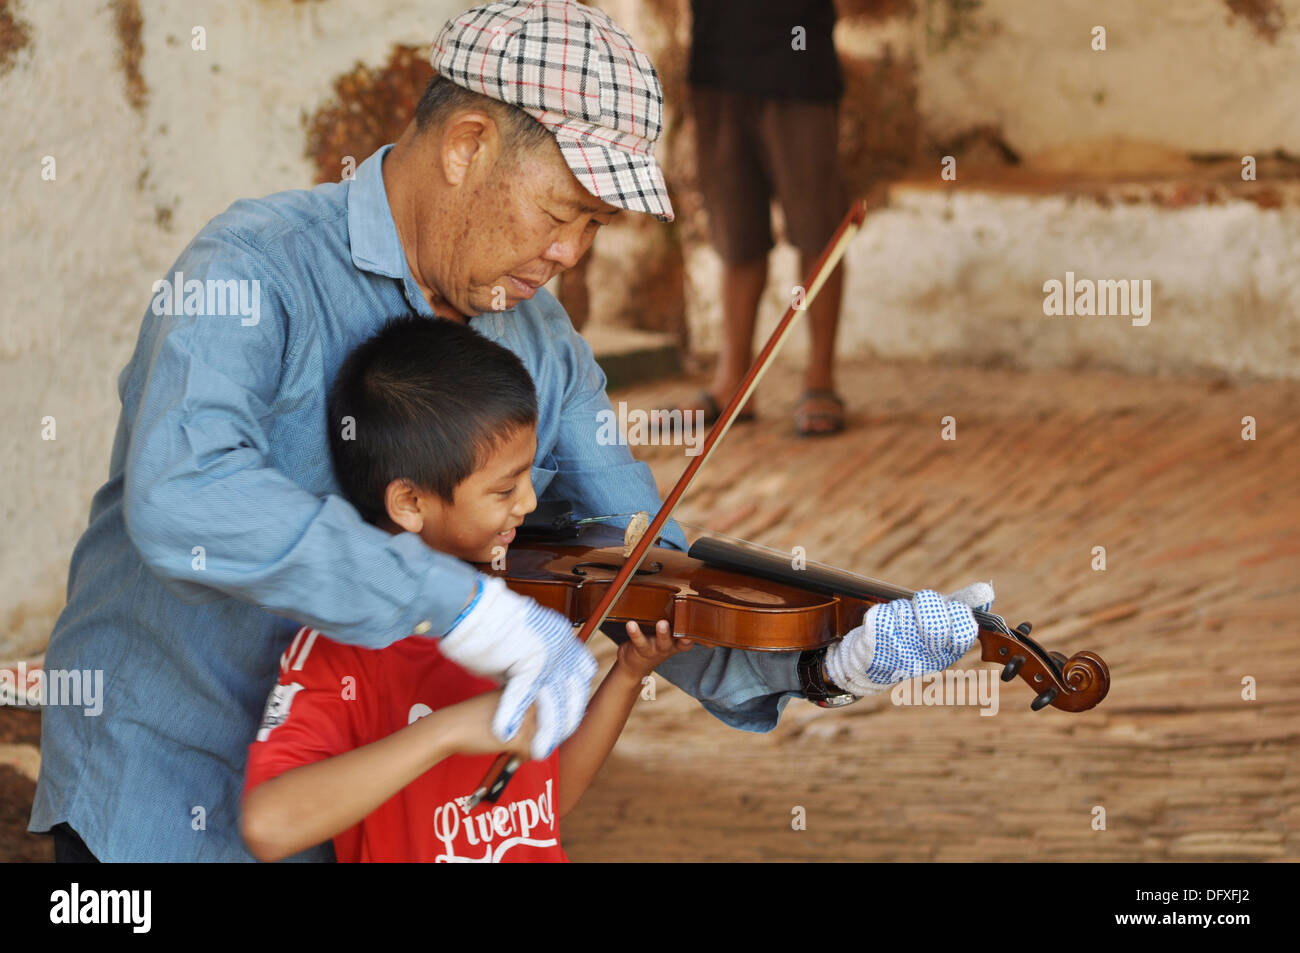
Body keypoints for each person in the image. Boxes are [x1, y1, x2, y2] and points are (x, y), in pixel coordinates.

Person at [31, 0, 989, 862]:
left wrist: (822, 661)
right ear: (467, 146)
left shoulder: (539, 335)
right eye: (563, 211)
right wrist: (457, 603)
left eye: (596, 225)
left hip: (380, 824)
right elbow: (185, 493)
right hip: (167, 786)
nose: (572, 252)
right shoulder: (253, 267)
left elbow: (638, 556)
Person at [240, 316, 691, 863]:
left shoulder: (522, 617)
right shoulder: (342, 647)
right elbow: (269, 826)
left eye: (528, 478)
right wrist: (446, 732)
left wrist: (628, 673)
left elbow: (546, 804)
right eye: (504, 489)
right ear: (410, 503)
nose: (528, 503)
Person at [684, 0, 850, 436]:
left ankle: (820, 379)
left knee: (818, 232)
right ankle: (733, 384)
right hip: (717, 64)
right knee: (736, 234)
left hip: (800, 67)